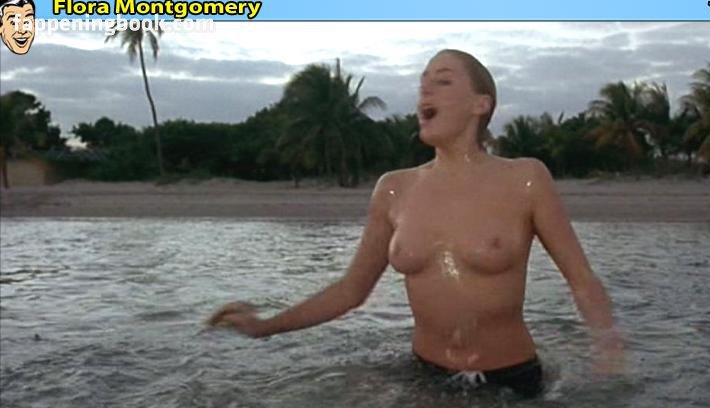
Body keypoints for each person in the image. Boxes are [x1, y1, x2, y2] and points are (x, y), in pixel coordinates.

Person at [208, 49, 626, 398]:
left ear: (480, 104)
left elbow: (582, 280)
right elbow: (351, 290)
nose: (425, 89)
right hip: (423, 378)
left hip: (511, 382)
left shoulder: (525, 178)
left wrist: (610, 352)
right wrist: (267, 327)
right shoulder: (394, 188)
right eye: (423, 82)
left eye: (442, 81)